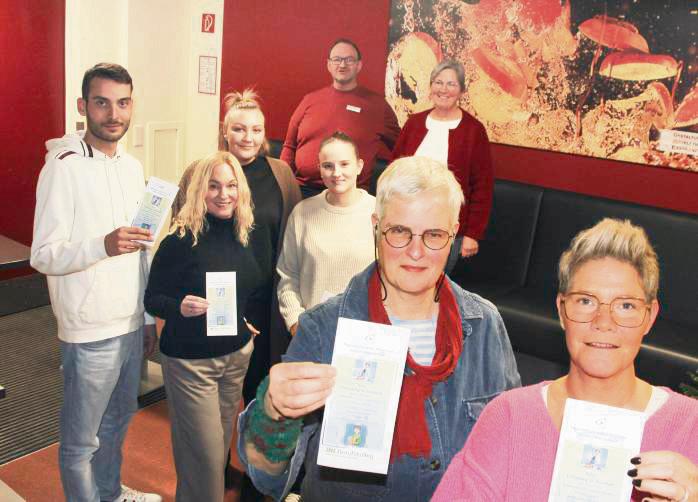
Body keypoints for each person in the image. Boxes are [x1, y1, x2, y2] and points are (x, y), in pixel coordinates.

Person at [238, 156, 520, 501]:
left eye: (433, 235)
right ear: (376, 227)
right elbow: (267, 476)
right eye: (399, 232)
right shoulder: (323, 329)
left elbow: (508, 444)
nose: (416, 252)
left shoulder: (485, 324)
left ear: (453, 235)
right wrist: (273, 412)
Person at [433, 218, 698, 502]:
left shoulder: (690, 426)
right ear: (561, 310)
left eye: (625, 305)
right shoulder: (509, 417)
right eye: (586, 301)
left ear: (649, 316)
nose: (603, 322)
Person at [30, 63, 161, 502]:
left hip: (128, 324)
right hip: (88, 332)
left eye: (122, 103)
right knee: (81, 442)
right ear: (83, 107)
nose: (113, 114)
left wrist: (145, 318)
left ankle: (109, 493)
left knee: (118, 421)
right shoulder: (62, 168)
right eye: (102, 102)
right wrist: (101, 245)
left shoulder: (132, 165)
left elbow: (141, 249)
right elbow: (43, 255)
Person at [144, 151, 263, 502]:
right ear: (199, 191)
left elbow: (253, 284)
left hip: (236, 357)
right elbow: (153, 299)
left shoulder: (245, 233)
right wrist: (179, 306)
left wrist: (244, 321)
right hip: (191, 363)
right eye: (213, 186)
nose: (223, 194)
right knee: (206, 458)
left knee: (215, 452)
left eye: (230, 185)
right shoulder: (179, 242)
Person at [220, 88, 301, 398]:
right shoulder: (209, 172)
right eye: (239, 129)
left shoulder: (280, 174)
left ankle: (254, 447)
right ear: (225, 131)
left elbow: (293, 234)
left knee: (259, 389)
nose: (247, 137)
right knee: (222, 393)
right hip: (223, 297)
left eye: (256, 130)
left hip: (265, 300)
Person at [392, 60, 493, 271]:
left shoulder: (474, 130)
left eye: (451, 84)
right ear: (430, 87)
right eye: (438, 82)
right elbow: (393, 172)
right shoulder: (414, 124)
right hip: (404, 223)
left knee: (433, 286)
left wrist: (473, 234)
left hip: (445, 230)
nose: (443, 90)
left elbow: (482, 186)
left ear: (462, 91)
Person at [276, 131, 375, 336]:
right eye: (328, 166)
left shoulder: (381, 213)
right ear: (320, 169)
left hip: (364, 335)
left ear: (359, 166)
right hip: (312, 333)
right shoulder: (302, 212)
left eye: (344, 164)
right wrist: (296, 323)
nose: (336, 173)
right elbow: (287, 277)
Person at [281, 38, 400, 198]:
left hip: (350, 195)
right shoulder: (309, 100)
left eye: (349, 60)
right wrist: (282, 184)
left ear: (359, 65)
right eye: (337, 59)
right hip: (302, 191)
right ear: (329, 65)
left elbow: (401, 149)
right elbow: (289, 146)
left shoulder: (378, 106)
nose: (342, 65)